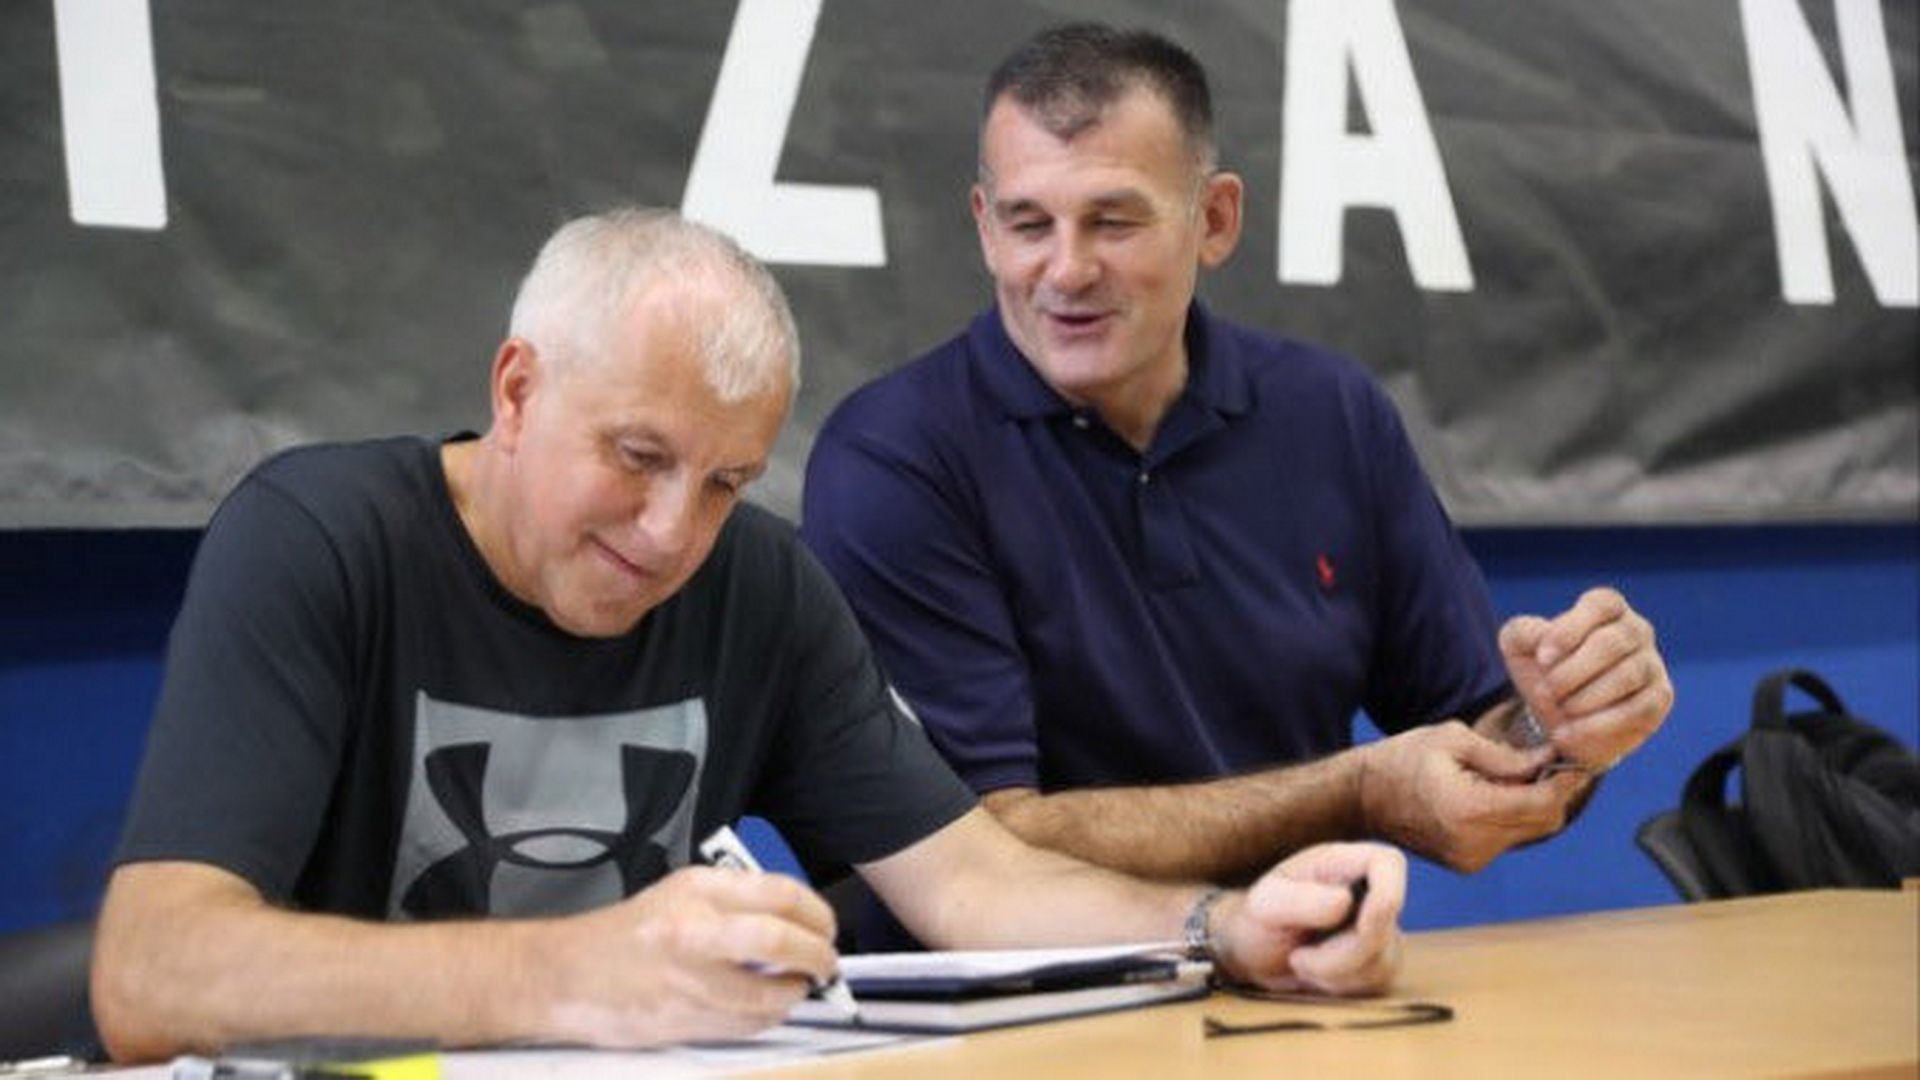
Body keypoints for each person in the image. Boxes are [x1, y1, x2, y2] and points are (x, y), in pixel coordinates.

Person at [90, 208, 1407, 1062]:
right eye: (637, 456)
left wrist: (1218, 927)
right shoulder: (319, 540)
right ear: (517, 390)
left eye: (726, 481)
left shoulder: (760, 586)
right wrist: (576, 974)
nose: (674, 533)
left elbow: (974, 882)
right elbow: (152, 972)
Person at [800, 24, 1675, 895]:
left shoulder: (1333, 414)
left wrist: (1565, 729)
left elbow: (1484, 751)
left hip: (1313, 963)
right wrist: (1356, 792)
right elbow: (976, 853)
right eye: (1029, 224)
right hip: (1024, 985)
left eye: (1113, 221)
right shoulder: (893, 457)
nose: (1066, 270)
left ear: (1215, 220)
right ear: (985, 229)